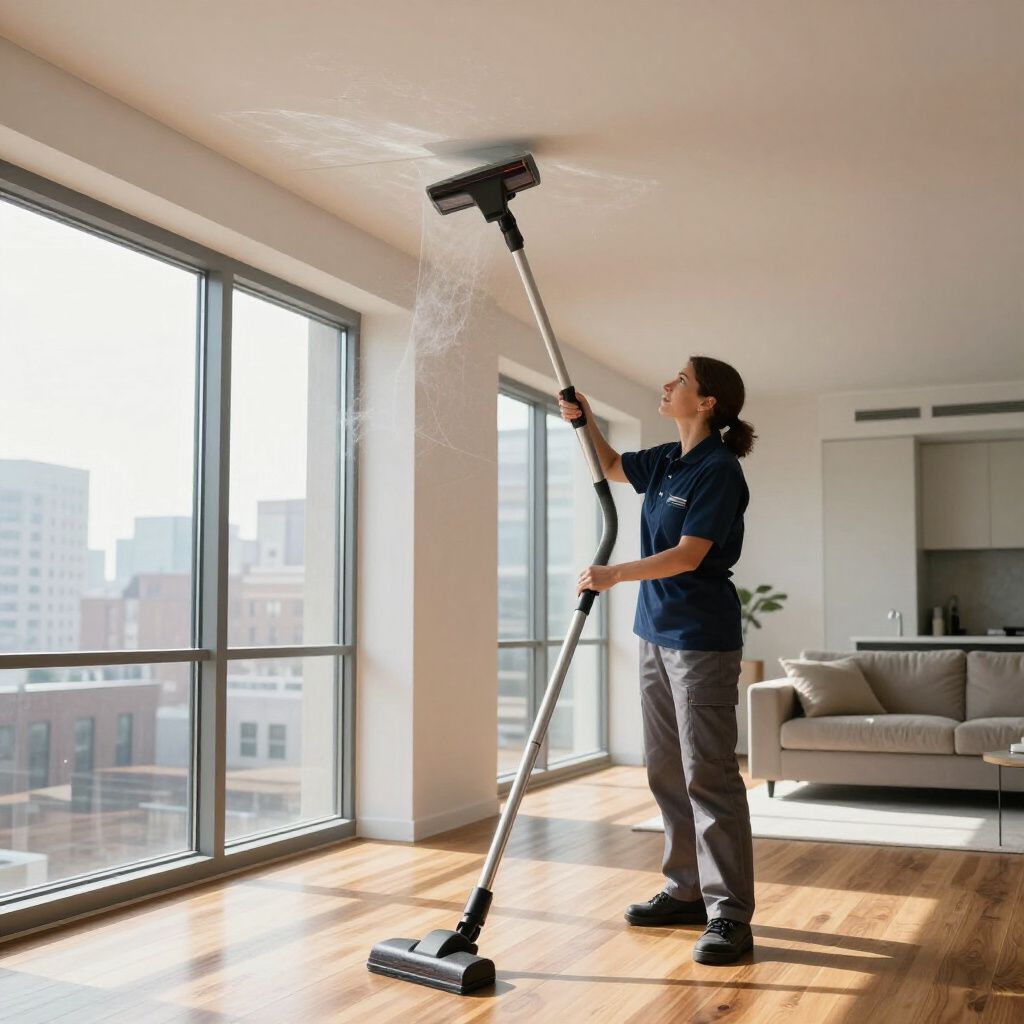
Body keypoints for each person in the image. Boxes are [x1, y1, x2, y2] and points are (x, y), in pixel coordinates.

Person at [558, 355, 757, 966]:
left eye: (681, 380)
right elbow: (614, 466)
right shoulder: (668, 460)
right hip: (654, 632)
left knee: (708, 773)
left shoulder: (718, 472)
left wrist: (615, 573)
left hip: (701, 638)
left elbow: (689, 555)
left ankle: (729, 916)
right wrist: (586, 419)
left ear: (707, 402)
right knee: (665, 769)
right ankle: (686, 889)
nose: (667, 385)